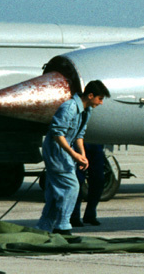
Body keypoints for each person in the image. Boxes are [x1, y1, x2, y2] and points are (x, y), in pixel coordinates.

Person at [38, 80, 109, 234]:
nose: (101, 102)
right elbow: (58, 134)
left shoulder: (86, 110)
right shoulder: (69, 107)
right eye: (100, 98)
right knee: (71, 187)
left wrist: (82, 155)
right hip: (56, 151)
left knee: (56, 190)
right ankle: (62, 226)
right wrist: (73, 154)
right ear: (90, 95)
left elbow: (79, 135)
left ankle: (44, 226)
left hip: (65, 151)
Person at [70, 142, 107, 227]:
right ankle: (74, 216)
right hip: (79, 144)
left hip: (95, 144)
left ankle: (90, 214)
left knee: (98, 180)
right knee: (78, 181)